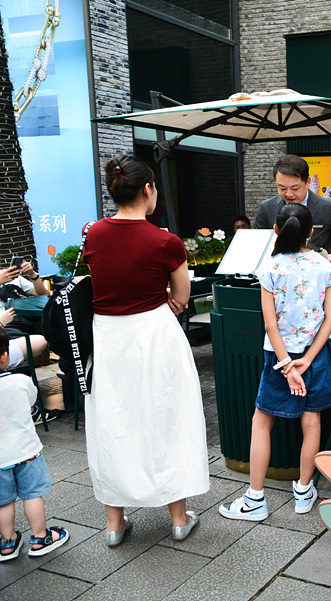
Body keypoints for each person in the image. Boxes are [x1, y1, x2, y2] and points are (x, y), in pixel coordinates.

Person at [83, 155, 208, 546]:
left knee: (113, 419)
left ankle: (114, 524)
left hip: (108, 336)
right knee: (167, 416)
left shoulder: (94, 234)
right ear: (149, 190)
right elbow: (182, 296)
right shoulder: (165, 241)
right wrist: (166, 296)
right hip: (155, 333)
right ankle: (178, 519)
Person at [219, 203, 331, 521]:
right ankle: (304, 490)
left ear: (276, 230)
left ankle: (255, 499)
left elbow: (270, 325)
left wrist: (287, 365)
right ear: (311, 231)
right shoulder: (323, 265)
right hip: (317, 354)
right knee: (312, 422)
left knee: (262, 423)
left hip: (279, 356)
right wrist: (306, 360)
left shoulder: (270, 268)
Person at [0, 327, 70, 562]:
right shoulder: (21, 381)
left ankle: (7, 542)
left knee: (3, 502)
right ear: (5, 356)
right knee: (32, 496)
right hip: (27, 451)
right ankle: (40, 538)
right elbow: (31, 402)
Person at [253, 155, 331, 269]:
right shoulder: (266, 208)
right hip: (278, 274)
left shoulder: (327, 207)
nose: (289, 194)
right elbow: (257, 243)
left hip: (317, 272)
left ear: (308, 182)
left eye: (295, 188)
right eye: (282, 188)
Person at [1, 260, 50, 335]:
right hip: (7, 324)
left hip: (29, 317)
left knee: (57, 329)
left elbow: (43, 294)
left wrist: (32, 274)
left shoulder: (10, 275)